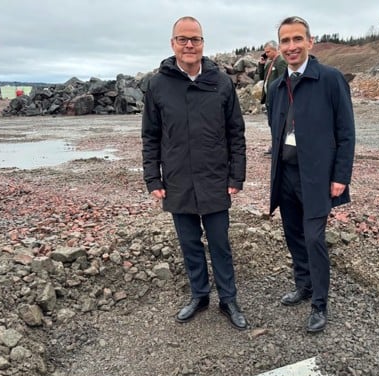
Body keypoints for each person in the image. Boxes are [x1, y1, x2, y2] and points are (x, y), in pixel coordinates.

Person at [142, 16, 248, 330]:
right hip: (177, 181)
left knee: (220, 244)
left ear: (203, 43)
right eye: (183, 39)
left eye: (195, 39)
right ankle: (200, 295)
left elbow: (236, 134)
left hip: (215, 179)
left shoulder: (221, 83)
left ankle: (228, 299)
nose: (189, 45)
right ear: (172, 43)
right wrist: (153, 177)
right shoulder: (158, 85)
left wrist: (236, 176)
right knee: (189, 244)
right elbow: (151, 136)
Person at [267, 16, 355, 333]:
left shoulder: (330, 79)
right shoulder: (277, 87)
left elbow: (346, 132)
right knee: (293, 235)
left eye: (297, 39)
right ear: (280, 47)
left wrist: (340, 176)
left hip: (317, 176)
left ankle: (319, 302)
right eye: (285, 41)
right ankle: (303, 286)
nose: (291, 47)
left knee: (314, 239)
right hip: (286, 173)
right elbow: (274, 129)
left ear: (310, 42)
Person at [256, 40, 287, 156]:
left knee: (277, 124)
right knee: (271, 123)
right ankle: (275, 145)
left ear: (275, 49)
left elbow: (283, 81)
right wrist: (261, 65)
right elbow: (262, 77)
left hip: (276, 99)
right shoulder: (270, 63)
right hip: (269, 99)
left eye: (268, 52)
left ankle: (279, 147)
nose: (266, 54)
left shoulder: (281, 62)